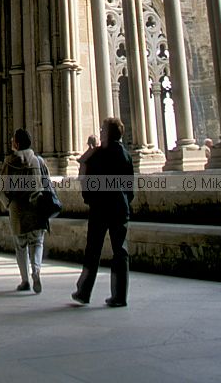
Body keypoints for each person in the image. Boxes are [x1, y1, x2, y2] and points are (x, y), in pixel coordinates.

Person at [71, 116, 134, 307]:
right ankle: (120, 295)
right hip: (119, 207)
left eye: (102, 129)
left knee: (93, 251)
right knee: (120, 252)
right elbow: (129, 187)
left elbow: (85, 179)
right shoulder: (125, 155)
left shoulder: (98, 155)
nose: (100, 132)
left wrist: (89, 199)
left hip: (100, 208)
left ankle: (84, 291)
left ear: (106, 133)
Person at [0, 129, 44, 293]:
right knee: (37, 242)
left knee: (20, 246)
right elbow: (40, 184)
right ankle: (36, 270)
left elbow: (2, 187)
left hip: (17, 208)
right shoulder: (36, 161)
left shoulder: (9, 161)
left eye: (13, 141)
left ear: (17, 143)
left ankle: (25, 280)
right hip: (34, 205)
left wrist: (8, 204)